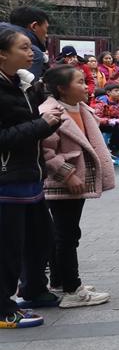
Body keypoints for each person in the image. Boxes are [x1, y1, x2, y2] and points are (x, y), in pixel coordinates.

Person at [0, 25, 63, 328]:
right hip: (7, 179)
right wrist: (40, 125)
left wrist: (47, 124)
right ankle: (2, 308)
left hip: (30, 176)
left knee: (42, 239)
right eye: (24, 47)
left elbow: (27, 129)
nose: (32, 53)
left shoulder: (21, 84)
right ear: (2, 54)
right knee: (8, 248)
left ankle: (34, 289)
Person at [39, 65, 115, 308]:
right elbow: (45, 150)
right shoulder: (50, 112)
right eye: (80, 82)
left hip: (77, 182)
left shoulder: (80, 108)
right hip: (63, 184)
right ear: (62, 88)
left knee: (66, 233)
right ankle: (73, 289)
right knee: (66, 236)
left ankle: (60, 281)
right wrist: (66, 172)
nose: (86, 86)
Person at [8, 6, 51, 79]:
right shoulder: (35, 54)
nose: (46, 35)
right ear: (34, 26)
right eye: (46, 28)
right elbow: (29, 88)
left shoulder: (5, 39)